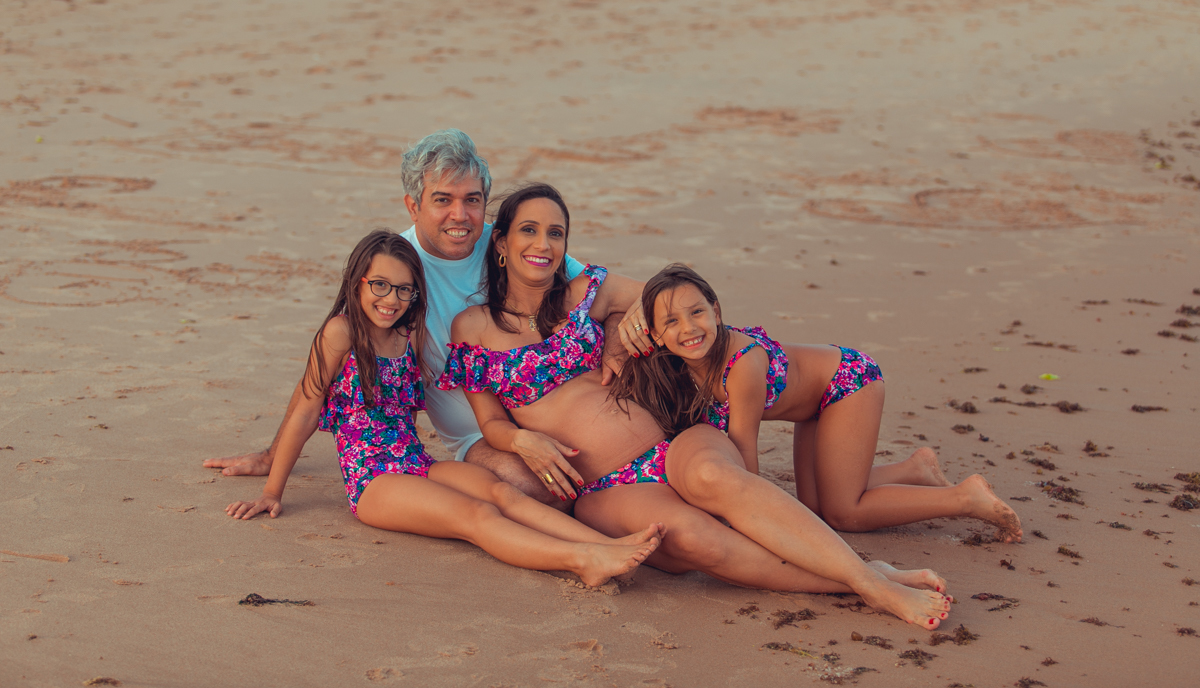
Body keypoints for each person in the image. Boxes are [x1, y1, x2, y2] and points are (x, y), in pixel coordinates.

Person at [439, 184, 954, 629]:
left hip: (672, 443)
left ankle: (865, 577)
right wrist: (521, 439)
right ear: (502, 244)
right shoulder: (472, 329)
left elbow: (661, 297)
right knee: (695, 542)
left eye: (556, 233)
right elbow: (490, 423)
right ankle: (860, 581)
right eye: (529, 231)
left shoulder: (585, 291)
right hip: (607, 484)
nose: (544, 244)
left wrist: (621, 331)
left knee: (716, 478)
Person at [204, 129, 635, 507]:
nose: (460, 216)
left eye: (472, 200)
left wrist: (616, 340)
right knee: (533, 486)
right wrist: (273, 455)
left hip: (553, 403)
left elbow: (605, 296)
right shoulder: (397, 269)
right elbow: (321, 373)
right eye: (442, 200)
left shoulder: (514, 244)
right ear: (413, 206)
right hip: (479, 434)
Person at [224, 229, 662, 587]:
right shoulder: (341, 333)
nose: (390, 299)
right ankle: (582, 560)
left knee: (499, 491)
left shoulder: (407, 333)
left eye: (403, 290)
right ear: (357, 280)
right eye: (379, 285)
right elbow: (306, 407)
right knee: (476, 515)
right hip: (374, 478)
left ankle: (608, 546)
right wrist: (272, 491)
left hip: (415, 460)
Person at [611, 263, 1022, 541]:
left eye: (697, 312)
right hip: (811, 405)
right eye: (671, 322)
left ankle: (964, 498)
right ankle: (916, 470)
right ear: (653, 333)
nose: (689, 329)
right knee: (814, 505)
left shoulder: (741, 366)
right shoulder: (676, 362)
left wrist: (744, 525)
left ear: (716, 311)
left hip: (846, 385)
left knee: (844, 514)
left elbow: (744, 456)